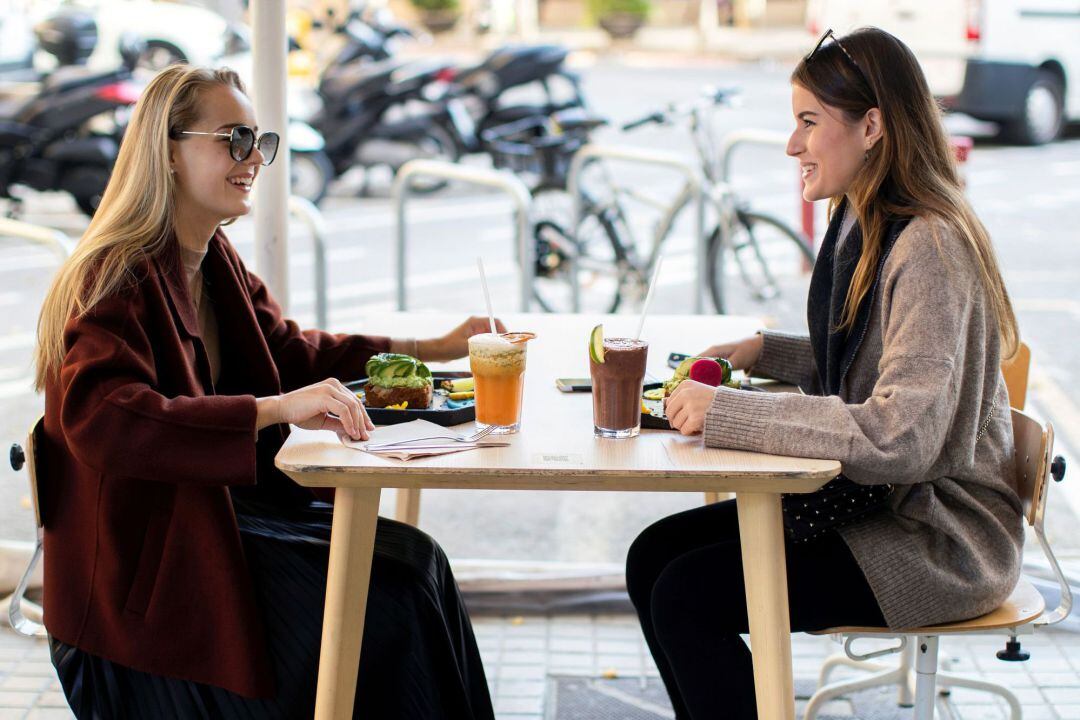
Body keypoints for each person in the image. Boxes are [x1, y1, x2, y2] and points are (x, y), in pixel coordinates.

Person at [34, 64, 501, 719]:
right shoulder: (113, 278)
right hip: (142, 592)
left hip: (214, 524)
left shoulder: (212, 259)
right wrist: (276, 409)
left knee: (416, 563)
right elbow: (108, 421)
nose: (255, 158)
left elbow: (292, 351)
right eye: (234, 139)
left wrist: (435, 347)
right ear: (168, 152)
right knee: (390, 597)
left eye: (259, 141)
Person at [626, 27, 1024, 719]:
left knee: (686, 595)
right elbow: (871, 355)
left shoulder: (930, 247)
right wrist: (764, 351)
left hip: (937, 537)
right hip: (885, 505)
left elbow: (900, 435)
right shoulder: (868, 220)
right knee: (651, 559)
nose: (792, 145)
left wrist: (728, 412)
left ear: (872, 126)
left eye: (809, 122)